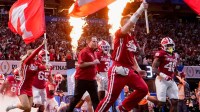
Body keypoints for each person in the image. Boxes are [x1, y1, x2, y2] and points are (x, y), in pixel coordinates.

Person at [95, 2, 149, 112]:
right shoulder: (120, 34)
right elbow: (129, 24)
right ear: (125, 25)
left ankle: (123, 108)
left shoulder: (132, 38)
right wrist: (140, 10)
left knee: (143, 89)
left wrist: (138, 69)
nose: (133, 25)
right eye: (130, 23)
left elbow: (132, 57)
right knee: (110, 98)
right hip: (118, 69)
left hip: (129, 70)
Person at [5, 39, 46, 112]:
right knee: (25, 106)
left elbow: (43, 67)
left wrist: (46, 65)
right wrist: (42, 45)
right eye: (34, 55)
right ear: (30, 56)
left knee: (28, 109)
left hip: (30, 89)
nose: (36, 56)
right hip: (22, 88)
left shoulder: (36, 64)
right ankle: (13, 106)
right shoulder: (26, 62)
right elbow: (34, 53)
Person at [66, 36, 100, 112]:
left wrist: (96, 75)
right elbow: (81, 64)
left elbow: (93, 67)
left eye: (96, 41)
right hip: (82, 80)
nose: (96, 43)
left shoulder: (94, 52)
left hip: (92, 80)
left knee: (95, 99)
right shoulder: (84, 52)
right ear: (88, 42)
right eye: (94, 41)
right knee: (76, 99)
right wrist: (93, 62)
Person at [152, 37, 179, 112]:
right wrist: (164, 75)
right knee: (161, 102)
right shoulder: (161, 54)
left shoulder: (175, 55)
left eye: (171, 45)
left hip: (171, 80)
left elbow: (173, 68)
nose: (170, 47)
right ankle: (147, 97)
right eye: (168, 45)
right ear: (163, 46)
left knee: (175, 101)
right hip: (161, 79)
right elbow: (153, 68)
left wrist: (178, 73)